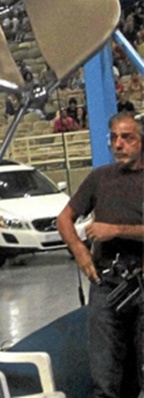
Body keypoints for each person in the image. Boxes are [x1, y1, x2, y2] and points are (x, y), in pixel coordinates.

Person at [57, 111, 144, 398]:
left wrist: (116, 230)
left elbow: (112, 229)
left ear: (141, 141)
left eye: (127, 137)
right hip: (107, 284)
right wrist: (80, 252)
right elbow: (64, 218)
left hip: (141, 280)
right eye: (114, 138)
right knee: (105, 378)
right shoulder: (100, 178)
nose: (119, 144)